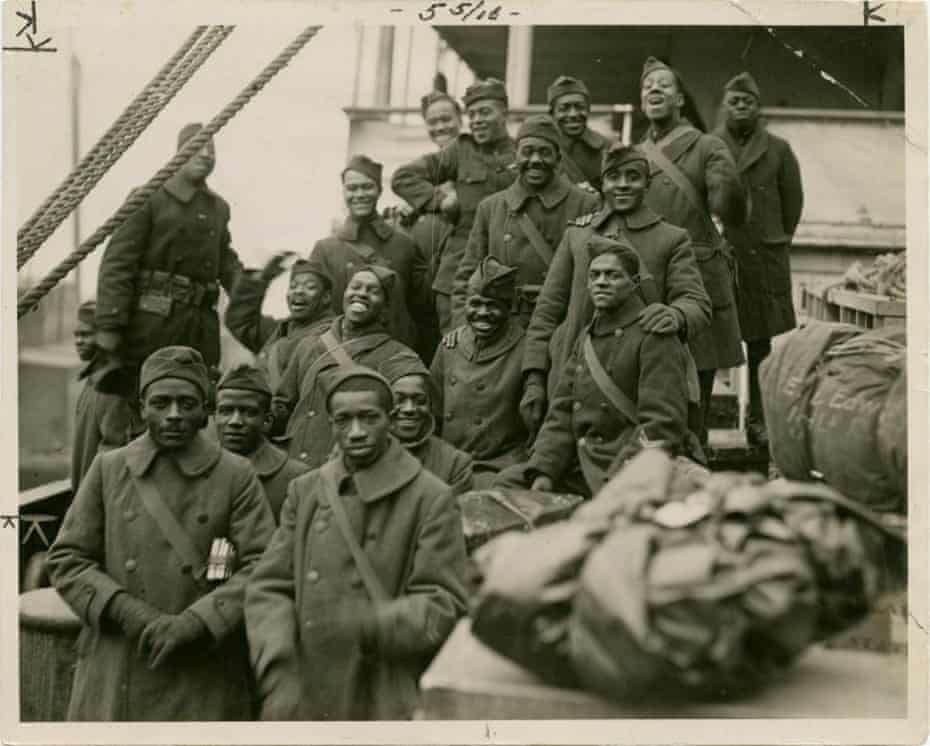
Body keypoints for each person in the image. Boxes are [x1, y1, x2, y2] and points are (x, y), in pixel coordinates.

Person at [47, 346, 275, 721]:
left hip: (203, 665)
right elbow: (67, 558)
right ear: (141, 408)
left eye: (187, 403)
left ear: (205, 411)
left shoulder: (235, 475)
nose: (174, 414)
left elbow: (264, 563)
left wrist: (198, 621)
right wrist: (129, 611)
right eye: (161, 402)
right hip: (120, 660)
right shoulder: (109, 469)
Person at [245, 366, 471, 720]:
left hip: (380, 686)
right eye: (343, 420)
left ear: (391, 420)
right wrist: (278, 665)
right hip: (305, 685)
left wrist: (371, 623)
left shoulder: (430, 497)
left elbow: (445, 601)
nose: (355, 432)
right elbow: (269, 586)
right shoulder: (306, 491)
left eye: (368, 418)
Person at [523, 144, 711, 417]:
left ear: (648, 183)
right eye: (613, 177)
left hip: (638, 376)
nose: (622, 185)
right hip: (574, 375)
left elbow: (696, 302)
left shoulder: (672, 238)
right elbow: (547, 312)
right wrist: (534, 379)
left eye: (633, 177)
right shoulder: (577, 235)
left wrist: (677, 314)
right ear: (603, 184)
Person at [503, 237, 693, 497]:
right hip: (584, 462)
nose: (601, 282)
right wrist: (544, 471)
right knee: (508, 486)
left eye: (613, 275)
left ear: (634, 283)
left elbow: (662, 424)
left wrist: (618, 481)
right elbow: (561, 413)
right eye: (594, 276)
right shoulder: (586, 338)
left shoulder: (654, 335)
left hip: (632, 466)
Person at [638, 56, 748, 445]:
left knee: (694, 399)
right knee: (648, 390)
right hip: (648, 282)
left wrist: (726, 189)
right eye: (648, 86)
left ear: (681, 99)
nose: (654, 90)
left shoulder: (706, 147)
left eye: (664, 85)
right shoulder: (635, 154)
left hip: (698, 282)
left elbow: (731, 209)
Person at [94, 123, 244, 378]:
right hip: (153, 326)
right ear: (179, 153)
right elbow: (117, 264)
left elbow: (226, 262)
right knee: (147, 400)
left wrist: (254, 284)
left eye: (211, 149)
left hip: (200, 329)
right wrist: (110, 327)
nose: (206, 154)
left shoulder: (218, 208)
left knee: (195, 401)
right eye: (198, 147)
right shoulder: (149, 197)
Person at [713, 72, 804, 446]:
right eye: (734, 101)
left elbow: (792, 204)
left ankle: (758, 421)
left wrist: (772, 238)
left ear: (757, 106)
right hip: (722, 253)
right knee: (710, 337)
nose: (740, 107)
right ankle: (700, 420)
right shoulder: (709, 145)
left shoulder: (779, 150)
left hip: (761, 256)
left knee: (761, 344)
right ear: (724, 105)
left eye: (747, 101)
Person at [392, 78, 518, 334]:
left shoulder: (522, 153)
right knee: (455, 351)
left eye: (485, 112)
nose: (477, 120)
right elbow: (403, 177)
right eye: (472, 114)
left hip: (508, 274)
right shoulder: (460, 151)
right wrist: (440, 200)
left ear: (504, 113)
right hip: (457, 278)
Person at [451, 114, 600, 330]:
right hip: (501, 326)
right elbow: (467, 274)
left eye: (545, 152)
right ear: (516, 157)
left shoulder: (586, 204)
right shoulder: (491, 207)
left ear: (559, 160)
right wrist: (460, 327)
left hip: (559, 325)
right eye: (527, 152)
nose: (536, 160)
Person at [274, 265, 418, 469]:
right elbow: (283, 405)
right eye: (356, 287)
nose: (361, 294)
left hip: (347, 469)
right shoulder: (309, 344)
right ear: (344, 294)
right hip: (294, 462)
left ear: (386, 306)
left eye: (373, 291)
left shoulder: (397, 356)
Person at [431, 257, 542, 487]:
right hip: (449, 464)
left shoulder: (526, 349)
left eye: (492, 305)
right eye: (475, 304)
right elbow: (432, 411)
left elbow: (536, 425)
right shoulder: (449, 346)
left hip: (501, 468)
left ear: (508, 307)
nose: (482, 312)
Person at [308, 155, 431, 351]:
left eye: (367, 186)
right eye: (352, 188)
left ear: (379, 190)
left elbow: (424, 311)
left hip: (394, 354)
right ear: (344, 192)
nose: (359, 194)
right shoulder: (325, 249)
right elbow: (313, 314)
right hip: (341, 355)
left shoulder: (404, 245)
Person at [224, 255, 335, 393]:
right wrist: (261, 279)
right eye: (293, 286)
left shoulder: (334, 335)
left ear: (326, 297)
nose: (299, 291)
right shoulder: (278, 331)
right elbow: (240, 321)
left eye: (310, 287)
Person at [214, 364, 309, 522]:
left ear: (267, 420)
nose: (235, 421)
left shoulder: (296, 478)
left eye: (248, 412)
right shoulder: (199, 470)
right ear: (214, 416)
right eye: (226, 411)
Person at [378, 351, 474, 495]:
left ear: (430, 405)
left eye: (420, 400)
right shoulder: (363, 455)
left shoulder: (454, 464)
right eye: (399, 400)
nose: (409, 409)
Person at [71, 299, 142, 488]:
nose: (78, 341)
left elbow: (114, 450)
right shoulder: (92, 381)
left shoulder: (113, 386)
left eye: (86, 334)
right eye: (76, 335)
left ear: (104, 338)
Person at [547, 75, 610, 191]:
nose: (573, 114)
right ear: (552, 114)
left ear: (588, 110)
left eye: (580, 107)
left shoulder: (608, 147)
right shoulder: (543, 149)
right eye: (564, 108)